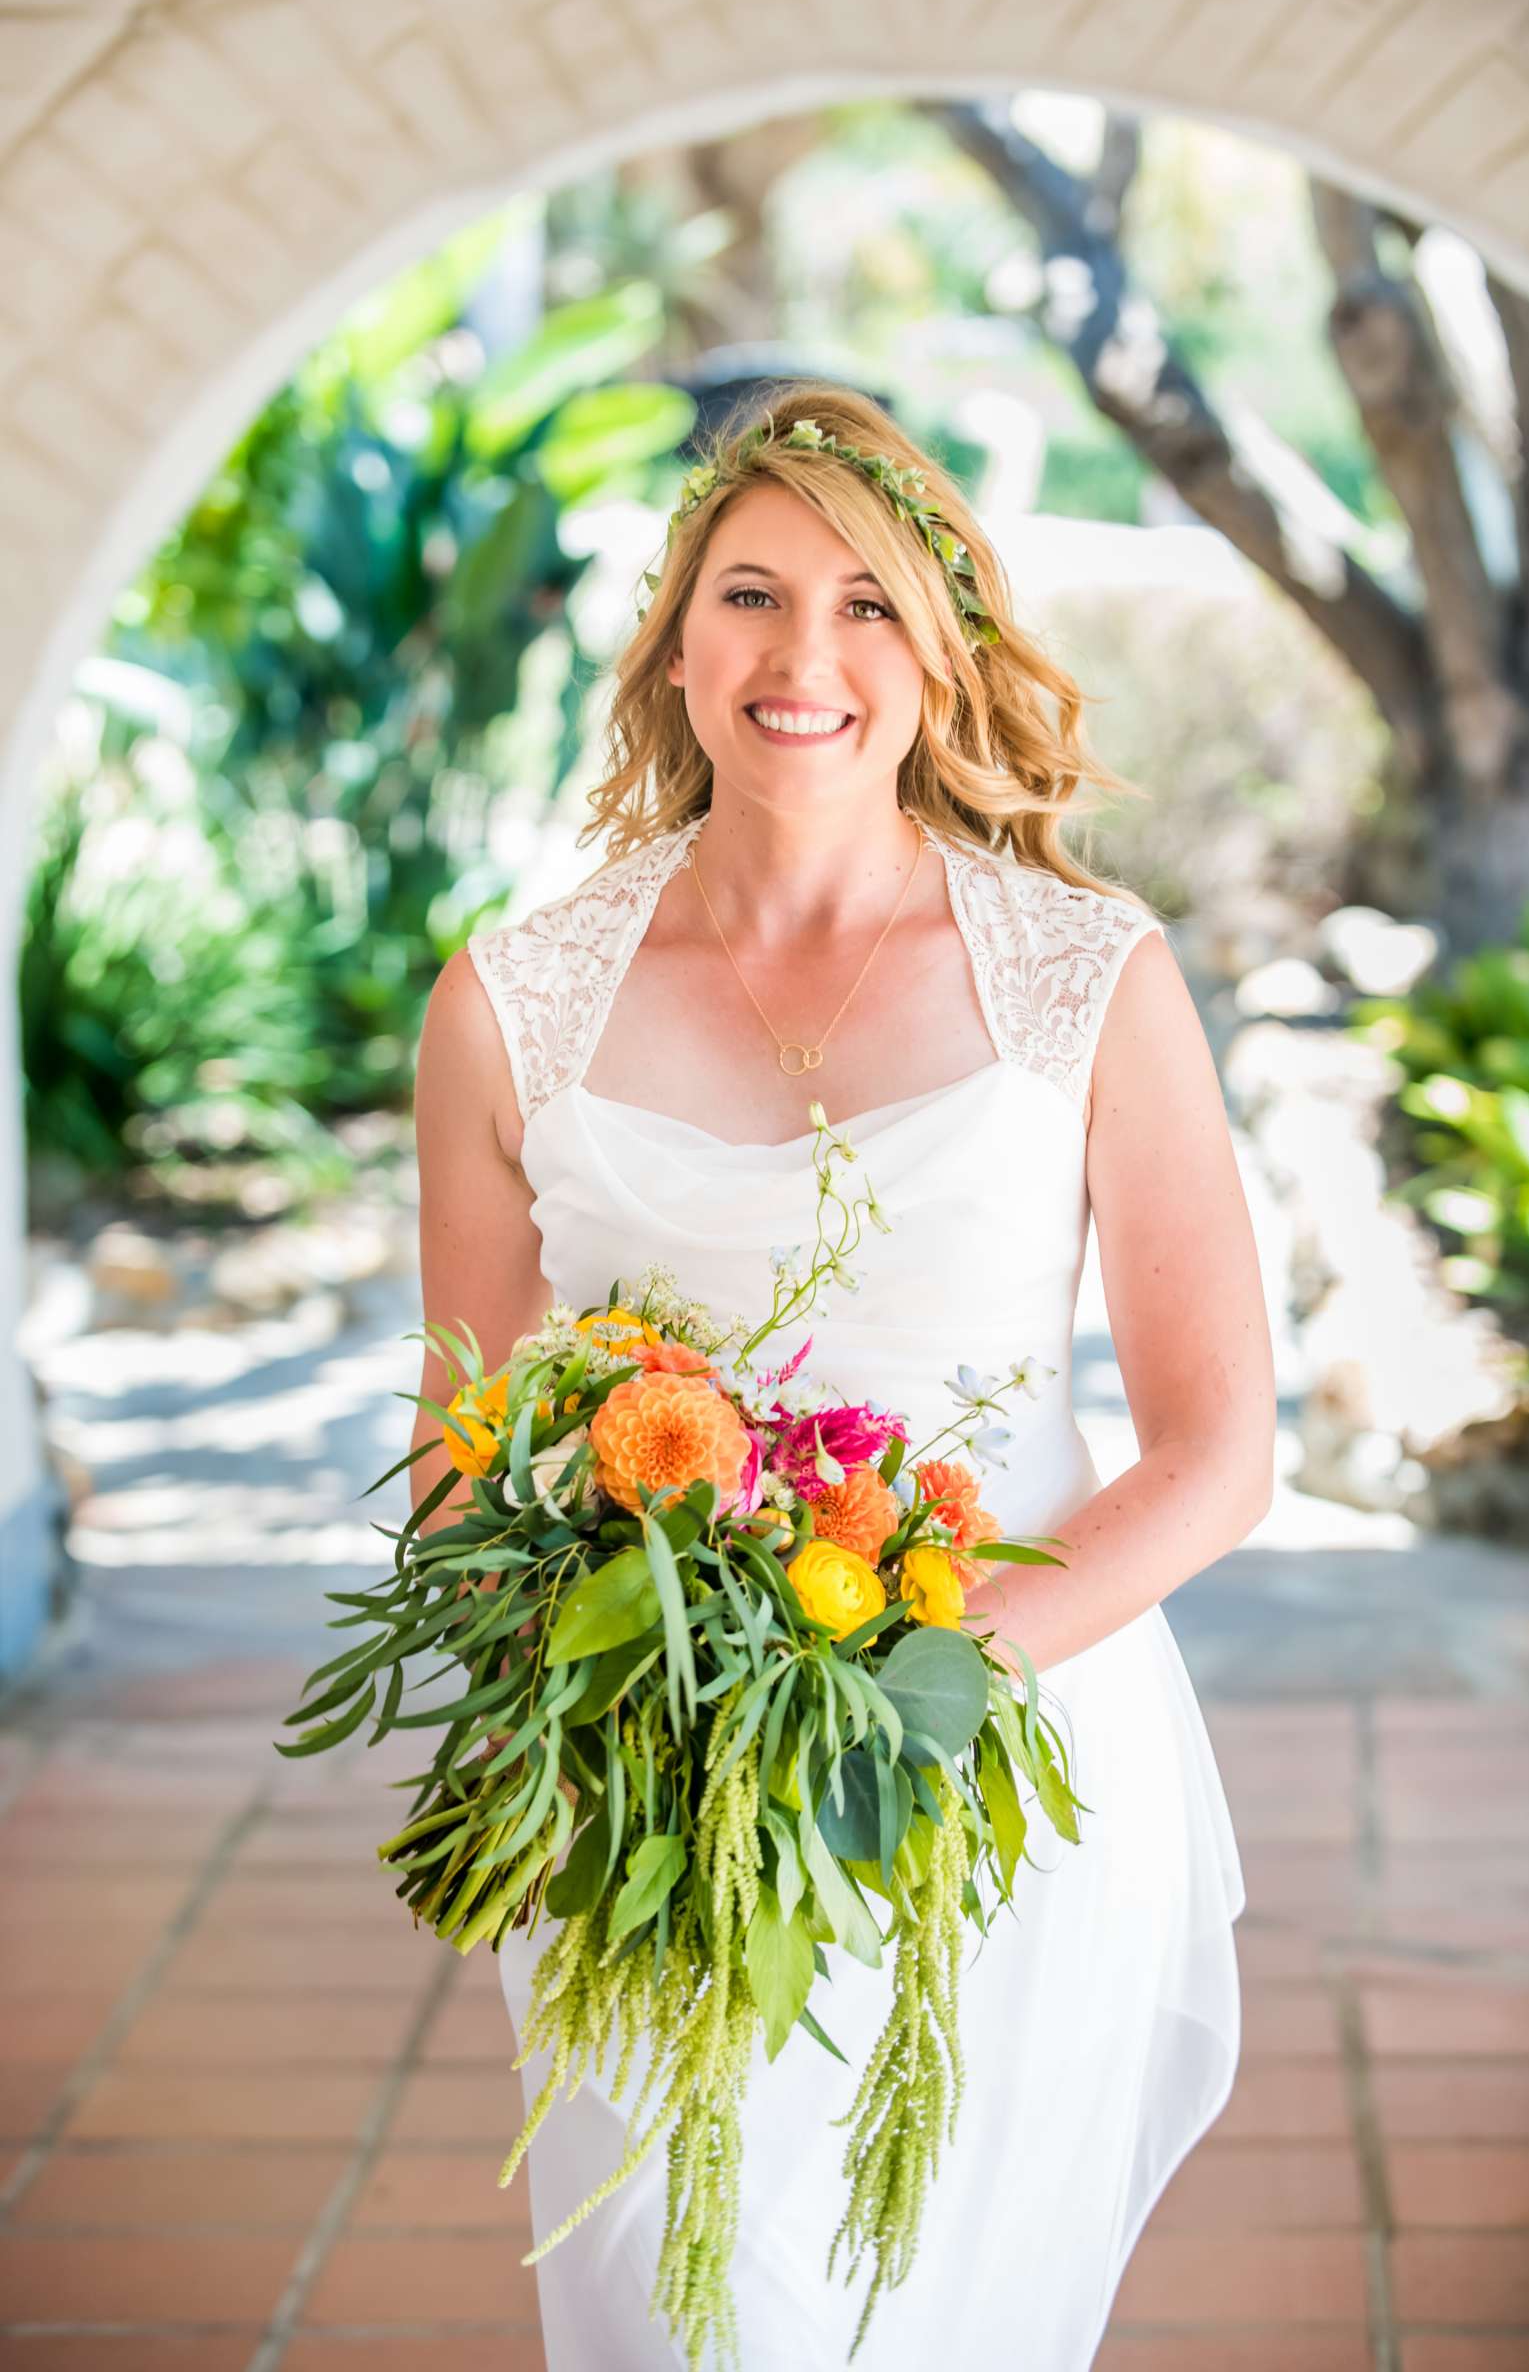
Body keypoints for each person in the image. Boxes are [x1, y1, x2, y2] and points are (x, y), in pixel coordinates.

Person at [410, 382, 1274, 2370]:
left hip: (1008, 1773)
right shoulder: (509, 1002)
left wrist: (915, 1676)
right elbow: (461, 1466)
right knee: (683, 2321)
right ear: (672, 639)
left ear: (943, 643)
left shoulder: (1087, 977)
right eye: (749, 595)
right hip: (656, 1794)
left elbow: (1217, 1449)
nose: (806, 659)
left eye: (869, 603)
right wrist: (619, 1717)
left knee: (949, 2319)